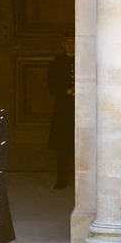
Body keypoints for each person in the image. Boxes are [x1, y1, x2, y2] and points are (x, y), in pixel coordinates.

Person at [47, 32, 76, 189]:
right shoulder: (56, 62)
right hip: (63, 108)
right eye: (68, 42)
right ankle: (62, 179)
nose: (71, 45)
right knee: (63, 146)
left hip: (81, 107)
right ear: (63, 44)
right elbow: (51, 85)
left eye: (73, 42)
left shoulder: (83, 61)